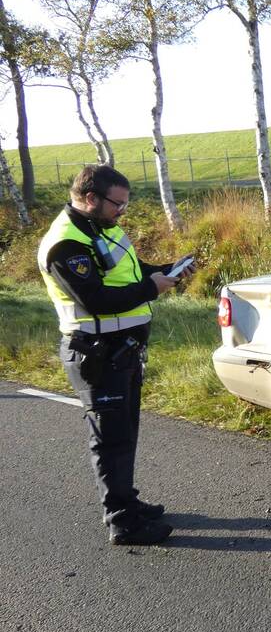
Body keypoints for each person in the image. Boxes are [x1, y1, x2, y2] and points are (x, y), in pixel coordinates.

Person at [37, 165, 193, 546]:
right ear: (91, 198)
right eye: (117, 204)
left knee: (125, 432)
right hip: (96, 354)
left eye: (125, 204)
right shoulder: (66, 244)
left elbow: (131, 273)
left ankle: (127, 500)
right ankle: (122, 522)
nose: (122, 211)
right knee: (110, 440)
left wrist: (167, 272)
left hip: (122, 352)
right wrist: (152, 289)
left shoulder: (102, 227)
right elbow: (96, 299)